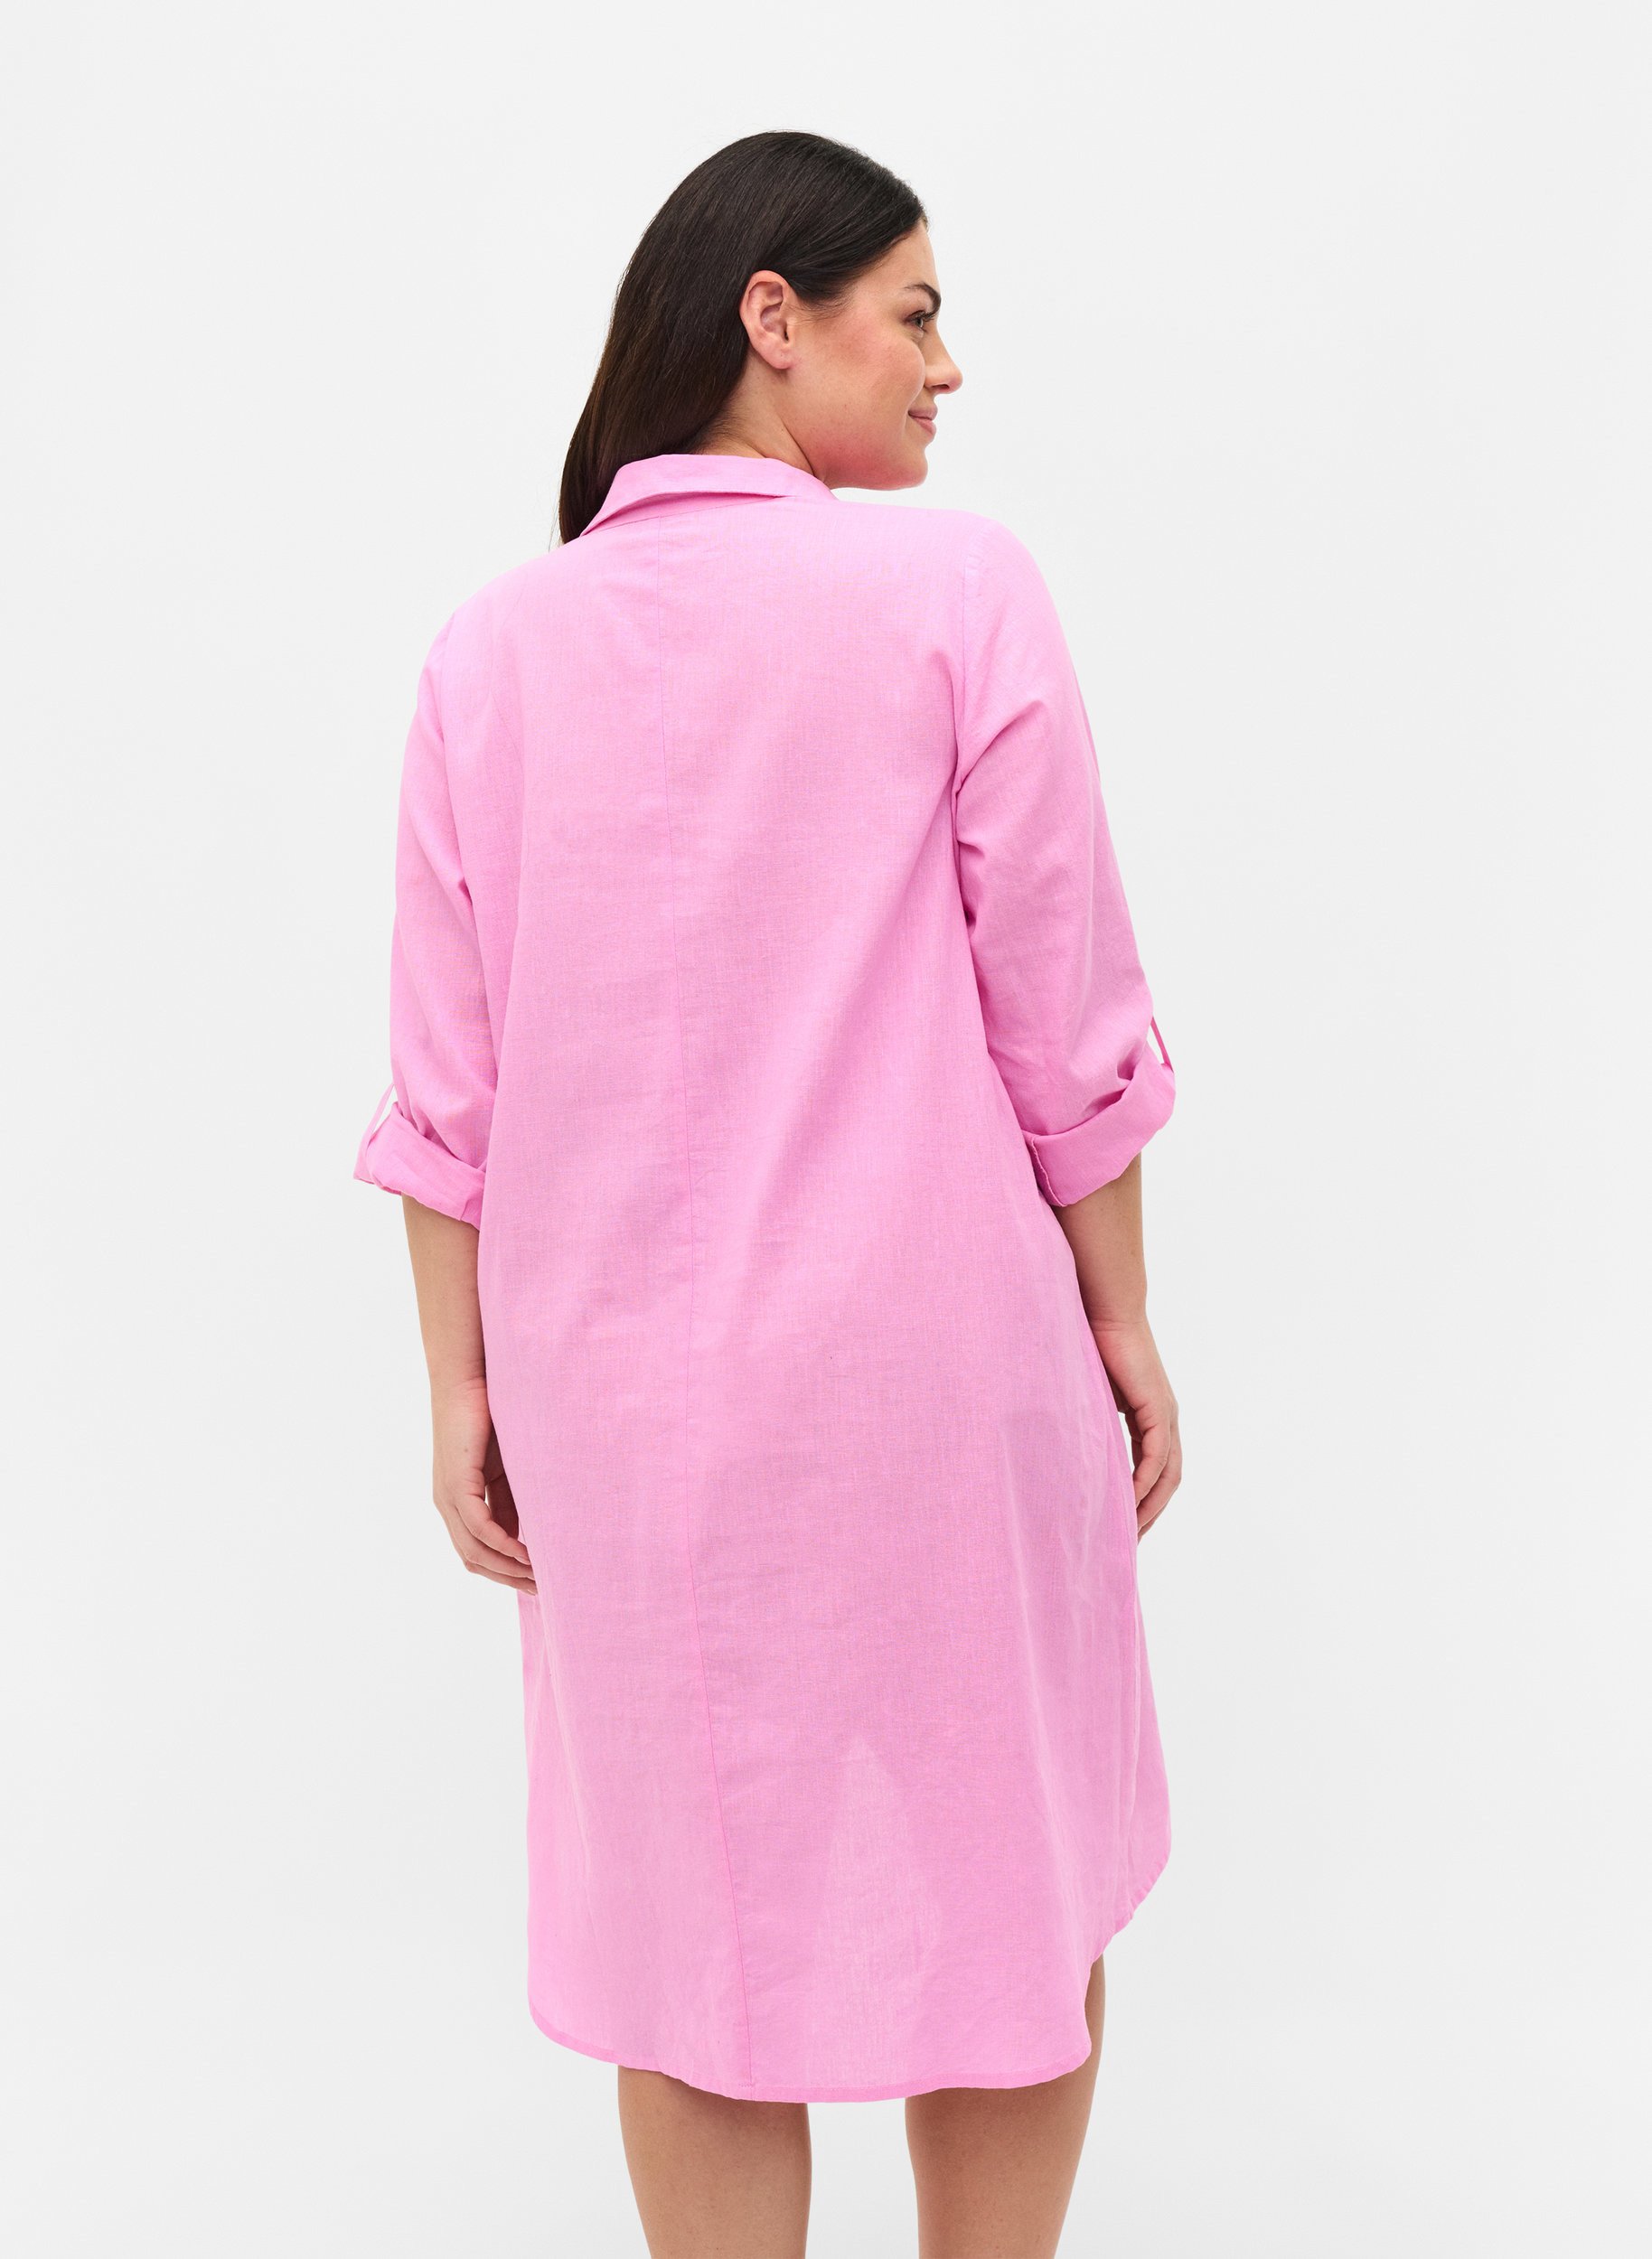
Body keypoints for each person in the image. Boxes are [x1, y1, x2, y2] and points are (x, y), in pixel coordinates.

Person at [355, 129, 1182, 2259]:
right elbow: (1063, 1006)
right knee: (1007, 1891)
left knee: (687, 1943)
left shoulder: (487, 651)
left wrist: (457, 1388)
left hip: (619, 1406)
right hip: (936, 1363)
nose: (945, 366)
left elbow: (447, 1088)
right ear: (771, 314)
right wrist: (1120, 1315)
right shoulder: (953, 591)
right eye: (914, 313)